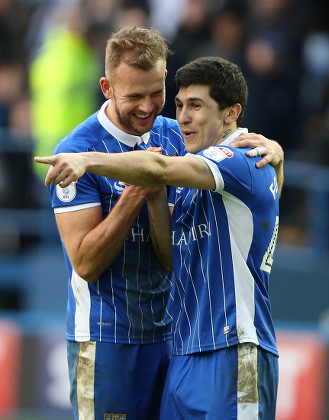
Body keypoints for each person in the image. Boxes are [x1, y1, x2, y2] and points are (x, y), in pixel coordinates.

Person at [35, 27, 283, 420]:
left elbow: (173, 247)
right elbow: (84, 263)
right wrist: (137, 193)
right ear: (107, 87)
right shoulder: (74, 151)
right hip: (108, 340)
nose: (149, 108)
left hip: (175, 338)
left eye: (156, 94)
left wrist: (278, 155)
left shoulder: (179, 136)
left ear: (165, 78)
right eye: (134, 96)